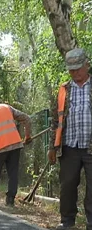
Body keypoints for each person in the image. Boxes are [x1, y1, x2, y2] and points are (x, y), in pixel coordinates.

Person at [48, 48, 92, 230]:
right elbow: (55, 121)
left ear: (87, 65)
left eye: (78, 69)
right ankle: (67, 221)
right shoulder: (64, 90)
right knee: (67, 186)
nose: (75, 73)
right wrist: (52, 146)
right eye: (71, 70)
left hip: (90, 146)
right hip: (69, 146)